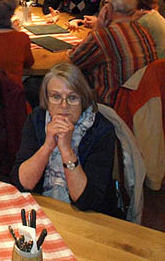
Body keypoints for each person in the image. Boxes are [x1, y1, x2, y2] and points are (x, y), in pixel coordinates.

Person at [11, 63, 120, 216]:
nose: (64, 105)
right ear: (47, 100)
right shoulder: (37, 119)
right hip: (43, 209)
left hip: (92, 218)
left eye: (72, 98)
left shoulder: (101, 130)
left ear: (83, 99)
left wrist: (66, 149)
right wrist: (48, 145)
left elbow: (86, 200)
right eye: (56, 97)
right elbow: (23, 183)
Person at [69, 0, 157, 106]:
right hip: (141, 105)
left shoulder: (103, 36)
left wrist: (98, 26)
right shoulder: (142, 30)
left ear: (108, 8)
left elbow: (73, 61)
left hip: (110, 106)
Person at [131, 0, 165, 65]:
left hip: (154, 71)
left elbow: (128, 43)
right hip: (163, 66)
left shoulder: (145, 21)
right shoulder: (152, 15)